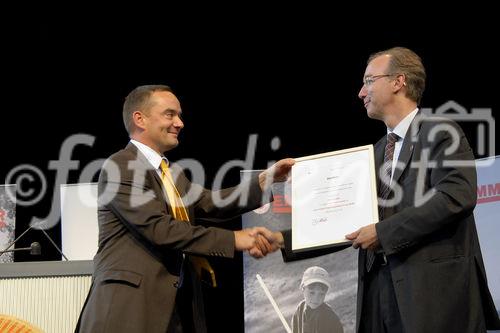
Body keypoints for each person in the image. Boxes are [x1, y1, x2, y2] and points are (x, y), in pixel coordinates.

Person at [256, 47, 500, 332]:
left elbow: (455, 196)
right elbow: (347, 221)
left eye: (369, 80)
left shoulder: (440, 131)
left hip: (433, 298)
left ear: (399, 82)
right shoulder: (376, 152)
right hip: (379, 298)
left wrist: (382, 233)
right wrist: (282, 238)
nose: (361, 92)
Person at [75, 84, 294, 333]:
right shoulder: (121, 166)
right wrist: (235, 239)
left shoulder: (172, 174)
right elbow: (160, 229)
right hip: (128, 311)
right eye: (170, 114)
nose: (179, 123)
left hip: (173, 311)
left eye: (179, 115)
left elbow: (211, 204)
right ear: (140, 119)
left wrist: (265, 181)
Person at [292, 266, 343, 333]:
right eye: (312, 293)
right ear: (303, 288)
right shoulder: (300, 309)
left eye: (321, 294)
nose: (316, 299)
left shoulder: (329, 318)